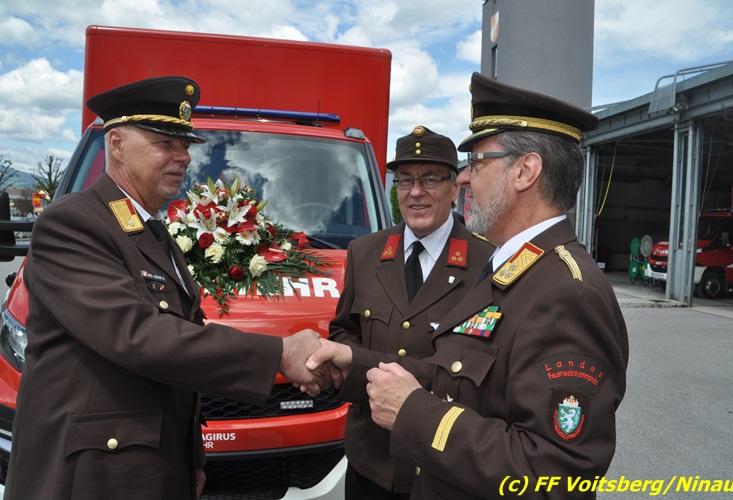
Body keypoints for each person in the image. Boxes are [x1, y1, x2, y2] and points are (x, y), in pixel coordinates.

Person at [4, 76, 331, 500]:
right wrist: (280, 354)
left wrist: (189, 459)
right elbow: (138, 335)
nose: (183, 157)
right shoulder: (73, 222)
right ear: (116, 144)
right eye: (165, 143)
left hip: (146, 467)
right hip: (93, 477)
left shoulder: (151, 230)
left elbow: (179, 365)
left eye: (186, 144)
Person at [309, 73, 629, 500]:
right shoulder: (515, 269)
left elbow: (558, 473)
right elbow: (457, 378)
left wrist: (412, 412)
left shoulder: (567, 292)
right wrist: (354, 359)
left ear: (525, 171)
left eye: (477, 162)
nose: (464, 179)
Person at [329, 126, 493, 499]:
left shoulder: (488, 262)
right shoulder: (365, 252)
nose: (416, 192)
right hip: (371, 459)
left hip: (442, 465)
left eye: (430, 179)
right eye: (405, 180)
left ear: (454, 187)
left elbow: (482, 365)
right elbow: (343, 332)